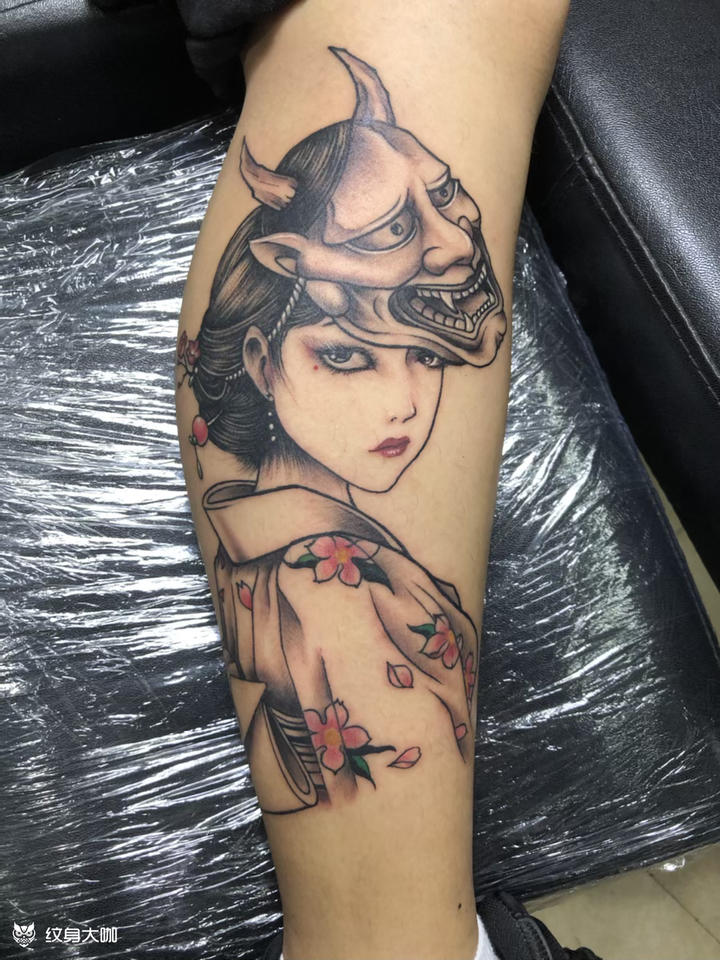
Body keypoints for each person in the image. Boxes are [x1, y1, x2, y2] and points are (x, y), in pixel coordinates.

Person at [176, 3, 598, 958]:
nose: (405, 402)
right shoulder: (333, 584)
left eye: (425, 357)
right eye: (346, 357)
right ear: (261, 361)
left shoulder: (283, 539)